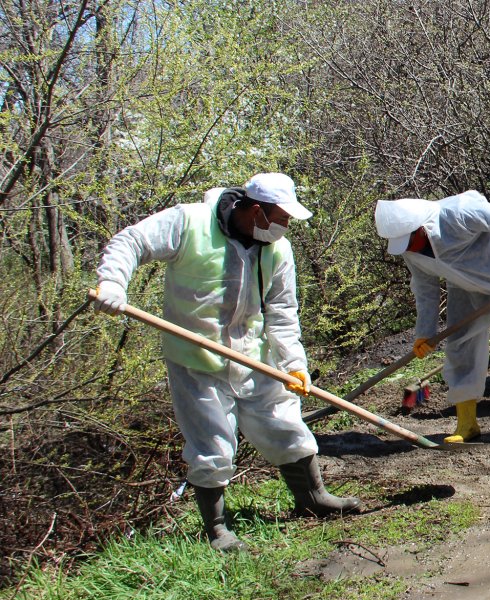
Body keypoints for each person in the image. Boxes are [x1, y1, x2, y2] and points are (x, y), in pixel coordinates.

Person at [94, 173, 360, 552]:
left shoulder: (278, 250)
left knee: (286, 425)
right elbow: (131, 241)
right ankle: (217, 529)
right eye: (281, 218)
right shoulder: (189, 222)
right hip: (196, 360)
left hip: (253, 357)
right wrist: (113, 284)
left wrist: (293, 364)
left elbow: (283, 312)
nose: (285, 227)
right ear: (255, 211)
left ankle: (312, 498)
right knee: (213, 444)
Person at [374, 192, 490, 445]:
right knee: (460, 351)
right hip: (464, 292)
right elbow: (426, 289)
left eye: (409, 242)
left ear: (420, 228)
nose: (407, 249)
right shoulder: (409, 249)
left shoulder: (458, 213)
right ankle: (466, 424)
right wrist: (424, 333)